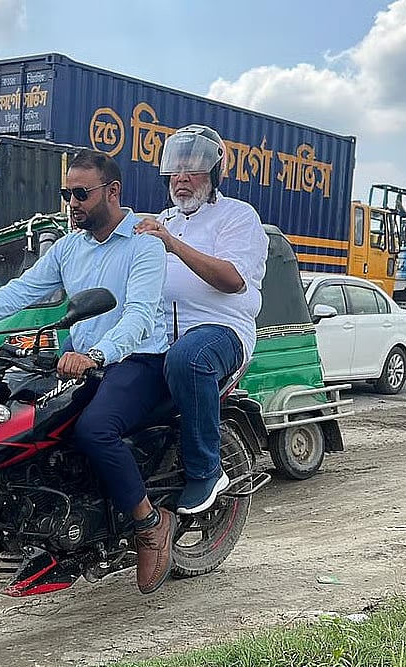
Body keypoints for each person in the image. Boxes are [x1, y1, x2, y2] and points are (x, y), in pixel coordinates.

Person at [0, 149, 176, 594]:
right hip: (81, 360)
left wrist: (97, 353)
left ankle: (150, 522)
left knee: (95, 429)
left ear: (112, 192)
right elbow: (20, 292)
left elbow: (139, 315)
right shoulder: (70, 247)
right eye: (66, 193)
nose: (72, 203)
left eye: (81, 193)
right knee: (16, 416)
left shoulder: (144, 244)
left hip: (136, 359)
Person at [134, 124, 268, 515]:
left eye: (192, 169)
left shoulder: (237, 216)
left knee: (189, 357)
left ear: (214, 173)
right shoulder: (164, 219)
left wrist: (172, 244)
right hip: (160, 334)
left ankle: (206, 470)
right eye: (175, 169)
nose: (181, 177)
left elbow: (232, 279)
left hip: (221, 330)